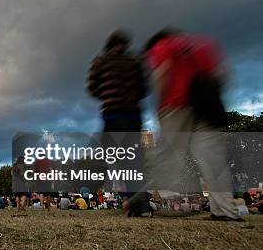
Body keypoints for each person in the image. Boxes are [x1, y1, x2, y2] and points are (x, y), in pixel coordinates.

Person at [142, 28, 242, 221]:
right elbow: (222, 74)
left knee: (165, 155)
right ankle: (226, 211)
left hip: (176, 105)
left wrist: (159, 106)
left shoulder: (163, 46)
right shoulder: (204, 43)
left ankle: (150, 202)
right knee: (212, 159)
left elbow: (162, 74)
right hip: (208, 106)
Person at [87, 29, 148, 216]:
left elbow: (91, 87)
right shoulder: (134, 60)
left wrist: (107, 94)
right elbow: (144, 88)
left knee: (112, 157)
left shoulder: (100, 61)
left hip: (112, 115)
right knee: (135, 159)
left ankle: (128, 198)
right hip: (133, 115)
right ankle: (141, 206)